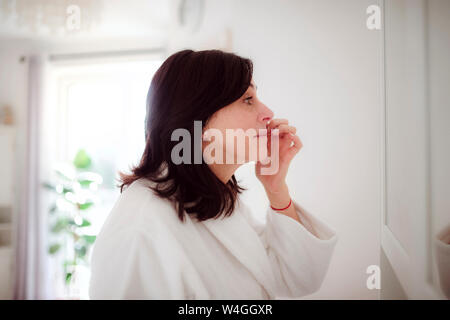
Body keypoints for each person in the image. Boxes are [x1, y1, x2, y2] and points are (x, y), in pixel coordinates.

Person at [88, 49, 338, 299]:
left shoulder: (217, 199)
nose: (268, 114)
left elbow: (296, 280)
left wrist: (276, 188)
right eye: (248, 99)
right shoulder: (140, 231)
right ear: (200, 119)